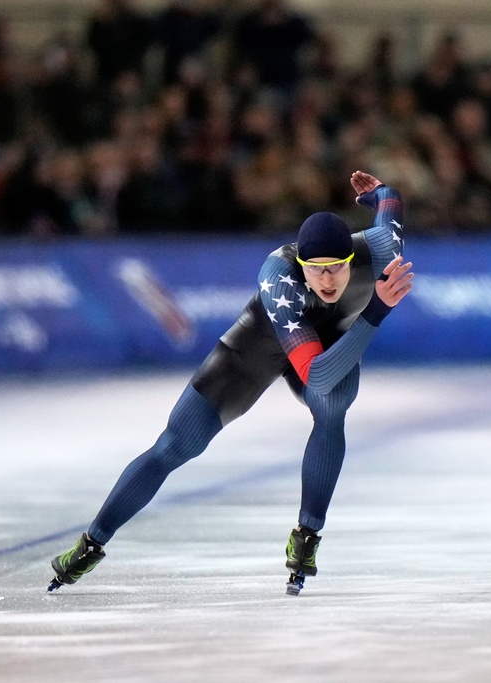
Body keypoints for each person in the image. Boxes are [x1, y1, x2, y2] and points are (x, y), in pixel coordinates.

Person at [48, 170, 413, 595]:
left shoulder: (383, 251)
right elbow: (316, 372)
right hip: (259, 345)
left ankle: (307, 535)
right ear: (301, 265)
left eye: (336, 268)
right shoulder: (280, 277)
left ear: (352, 259)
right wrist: (376, 312)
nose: (327, 281)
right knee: (176, 444)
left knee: (334, 406)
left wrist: (378, 193)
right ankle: (91, 543)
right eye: (316, 270)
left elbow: (391, 203)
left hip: (328, 342)